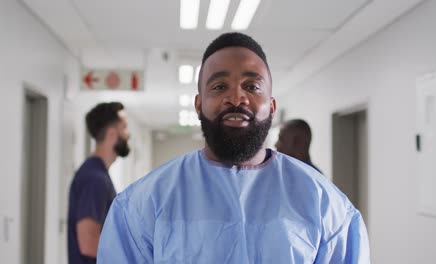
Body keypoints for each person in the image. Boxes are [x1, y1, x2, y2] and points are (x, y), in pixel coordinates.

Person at [97, 32, 370, 263]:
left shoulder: (325, 206)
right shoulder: (142, 205)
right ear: (198, 104)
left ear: (272, 106)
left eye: (252, 85)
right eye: (219, 86)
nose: (237, 97)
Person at [67, 102, 130, 264]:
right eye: (124, 128)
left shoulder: (96, 173)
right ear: (111, 134)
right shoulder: (95, 179)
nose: (128, 135)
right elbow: (88, 243)